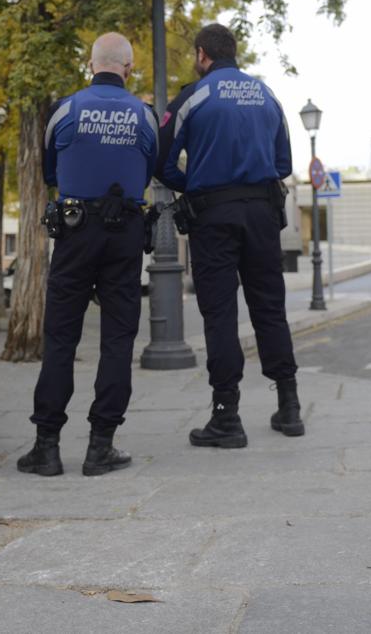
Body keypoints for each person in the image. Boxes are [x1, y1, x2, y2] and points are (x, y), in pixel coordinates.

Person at [16, 32, 158, 477]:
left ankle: (47, 447)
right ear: (129, 69)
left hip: (75, 232)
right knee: (117, 340)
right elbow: (151, 167)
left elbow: (51, 171)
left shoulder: (64, 109)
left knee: (61, 338)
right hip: (125, 235)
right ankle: (101, 446)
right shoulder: (146, 116)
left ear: (90, 64)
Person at [156, 23, 302, 449]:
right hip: (262, 213)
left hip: (213, 215)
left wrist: (193, 183)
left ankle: (227, 416)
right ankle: (290, 406)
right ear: (232, 53)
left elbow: (161, 159)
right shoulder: (267, 95)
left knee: (220, 314)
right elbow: (284, 162)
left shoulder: (193, 97)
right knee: (270, 308)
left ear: (203, 55)